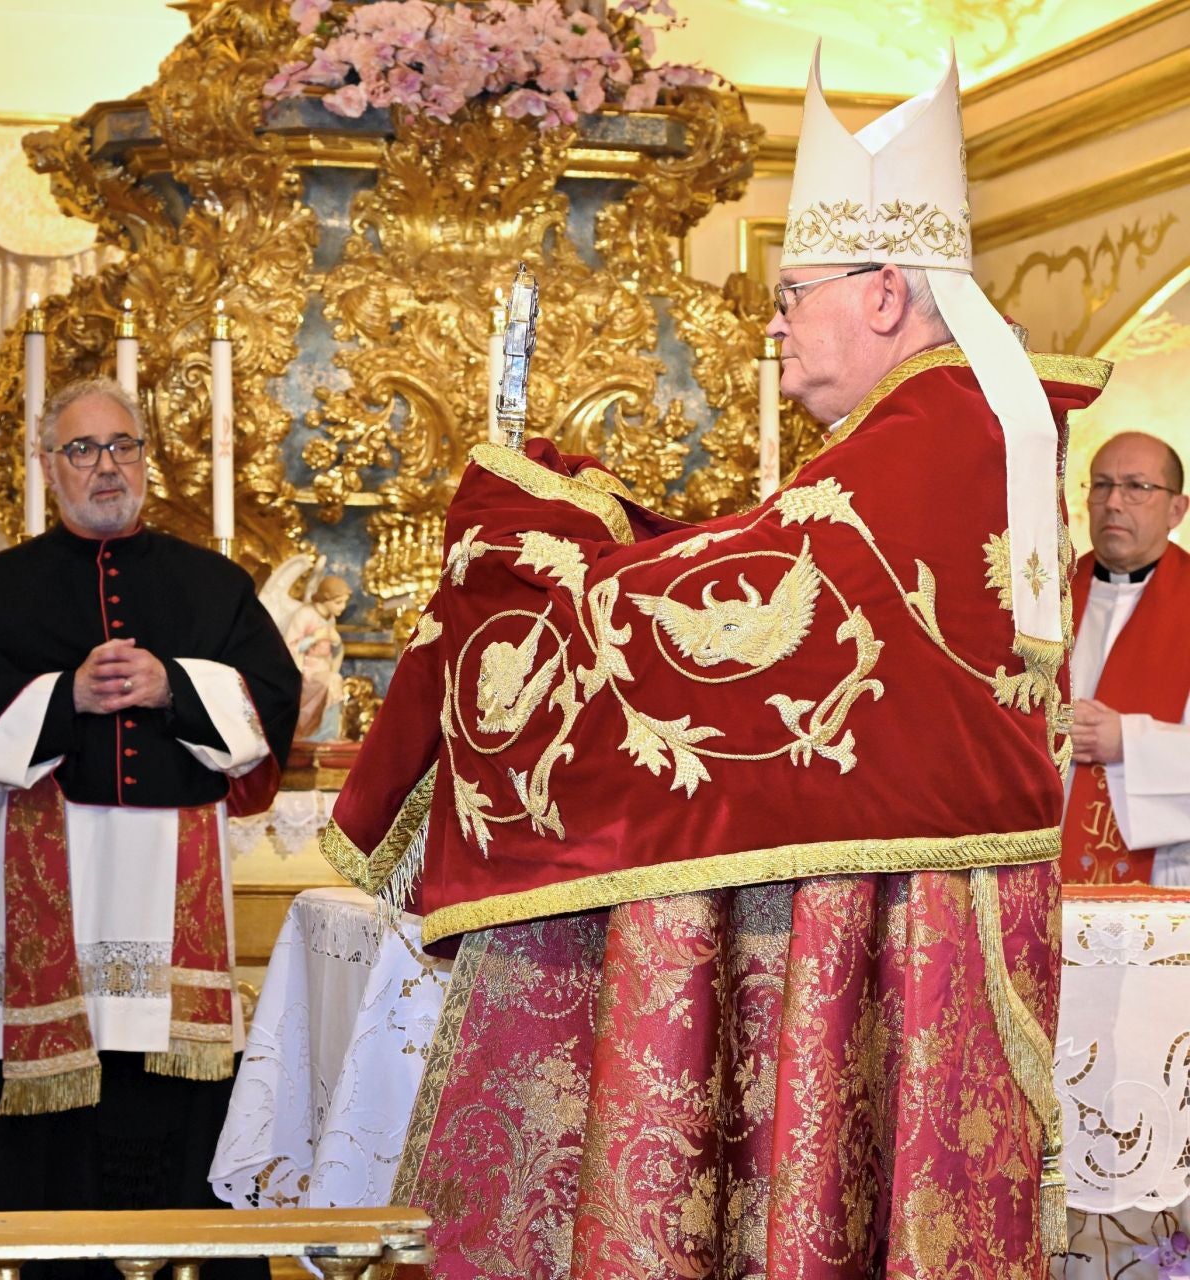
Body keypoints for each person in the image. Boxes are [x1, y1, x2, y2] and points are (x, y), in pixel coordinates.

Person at [322, 49, 1107, 1276]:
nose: (778, 322)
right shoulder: (949, 423)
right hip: (895, 903)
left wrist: (548, 547)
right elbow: (766, 572)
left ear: (888, 291)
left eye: (798, 293)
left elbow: (749, 612)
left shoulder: (936, 425)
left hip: (901, 914)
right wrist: (608, 525)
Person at [0, 378, 299, 1280]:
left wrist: (177, 683)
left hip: (168, 899)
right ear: (49, 468)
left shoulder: (213, 586)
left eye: (121, 446)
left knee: (166, 1099)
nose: (105, 467)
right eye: (83, 450)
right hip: (43, 896)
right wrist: (66, 695)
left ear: (145, 459)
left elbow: (271, 705)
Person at [1061, 430, 1190, 884]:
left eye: (1137, 486)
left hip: (1165, 874)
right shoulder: (1044, 599)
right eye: (1101, 484)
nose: (1114, 501)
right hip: (1042, 870)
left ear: (1177, 508)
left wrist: (1129, 743)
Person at [283, 575, 352, 740]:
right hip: (305, 669)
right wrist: (314, 637)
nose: (342, 607)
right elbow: (290, 646)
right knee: (332, 681)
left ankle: (327, 732)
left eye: (344, 602)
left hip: (323, 667)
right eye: (338, 602)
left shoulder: (330, 618)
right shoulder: (305, 614)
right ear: (325, 598)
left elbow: (333, 649)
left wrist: (336, 642)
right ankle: (321, 733)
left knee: (333, 679)